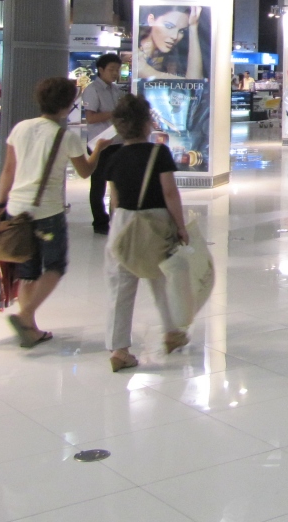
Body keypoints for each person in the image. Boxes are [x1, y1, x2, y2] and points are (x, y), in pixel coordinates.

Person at [0, 77, 102, 348]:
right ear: (67, 105)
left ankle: (31, 329)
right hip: (47, 212)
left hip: (17, 209)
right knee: (55, 266)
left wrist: (0, 203)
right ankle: (25, 316)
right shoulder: (66, 137)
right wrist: (98, 150)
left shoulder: (20, 128)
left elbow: (8, 170)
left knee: (27, 271)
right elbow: (85, 171)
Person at [102, 94, 189, 371]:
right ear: (147, 123)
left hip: (123, 223)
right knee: (161, 279)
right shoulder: (158, 153)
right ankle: (172, 331)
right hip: (155, 221)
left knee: (120, 288)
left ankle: (119, 350)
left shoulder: (114, 156)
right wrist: (180, 225)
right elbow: (169, 192)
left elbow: (114, 199)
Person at [82, 52, 124, 234]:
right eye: (111, 69)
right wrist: (115, 113)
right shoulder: (92, 90)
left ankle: (116, 220)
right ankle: (100, 223)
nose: (115, 73)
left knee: (118, 184)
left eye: (117, 70)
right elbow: (91, 118)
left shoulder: (117, 90)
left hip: (117, 142)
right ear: (101, 70)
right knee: (98, 185)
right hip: (99, 144)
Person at [136, 5, 204, 80]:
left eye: (181, 31)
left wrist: (193, 26)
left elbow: (195, 82)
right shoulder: (136, 53)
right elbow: (192, 83)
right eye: (169, 26)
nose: (175, 36)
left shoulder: (171, 58)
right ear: (151, 20)